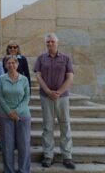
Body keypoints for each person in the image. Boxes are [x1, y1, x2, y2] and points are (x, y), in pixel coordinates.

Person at [34, 33, 75, 169]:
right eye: (48, 42)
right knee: (48, 126)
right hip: (46, 96)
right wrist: (48, 91)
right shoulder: (41, 58)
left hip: (62, 97)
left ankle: (67, 156)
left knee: (65, 124)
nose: (50, 44)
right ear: (46, 44)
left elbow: (69, 77)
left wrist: (59, 92)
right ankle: (48, 155)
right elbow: (38, 76)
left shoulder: (66, 58)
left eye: (52, 42)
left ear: (57, 43)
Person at [0, 55, 31, 173]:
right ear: (6, 65)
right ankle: (9, 170)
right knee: (7, 145)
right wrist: (9, 111)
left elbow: (27, 97)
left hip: (22, 115)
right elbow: (0, 96)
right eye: (9, 63)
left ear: (17, 65)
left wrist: (16, 112)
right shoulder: (1, 78)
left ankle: (24, 170)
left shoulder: (24, 79)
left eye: (13, 63)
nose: (11, 65)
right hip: (5, 115)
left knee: (24, 144)